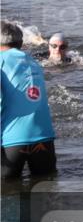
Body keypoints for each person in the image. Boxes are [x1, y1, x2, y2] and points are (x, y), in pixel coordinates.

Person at [1, 20, 57, 180]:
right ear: (20, 41)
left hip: (12, 141)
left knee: (7, 194)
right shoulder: (32, 61)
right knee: (45, 193)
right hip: (44, 137)